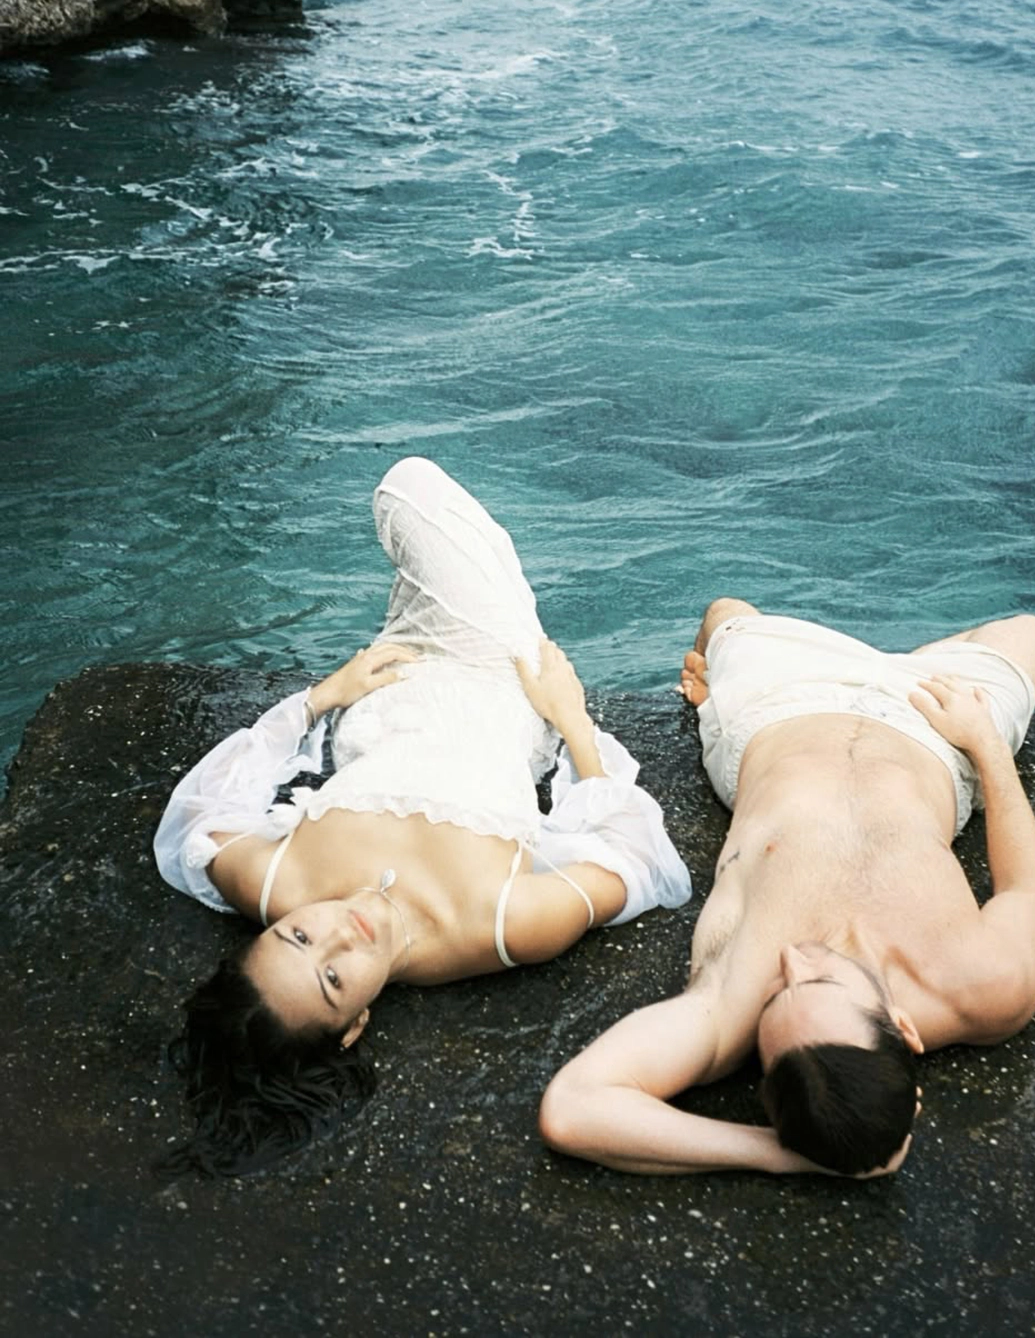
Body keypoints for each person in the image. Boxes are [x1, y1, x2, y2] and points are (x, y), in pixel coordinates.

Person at [154, 457, 691, 1174]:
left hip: (385, 689)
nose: (338, 933)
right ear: (354, 1028)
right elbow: (632, 855)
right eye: (334, 979)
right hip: (502, 689)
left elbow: (201, 810)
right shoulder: (503, 928)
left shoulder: (273, 884)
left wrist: (322, 696)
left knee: (424, 516)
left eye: (297, 936)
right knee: (408, 489)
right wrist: (571, 717)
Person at [537, 598, 1035, 1178]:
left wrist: (776, 1152)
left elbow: (572, 1108)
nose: (789, 962)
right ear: (902, 1026)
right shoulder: (987, 986)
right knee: (1033, 632)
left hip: (775, 705)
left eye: (777, 995)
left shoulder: (727, 1007)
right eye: (820, 981)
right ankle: (903, 662)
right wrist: (986, 745)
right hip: (939, 736)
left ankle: (731, 694)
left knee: (726, 611)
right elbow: (1025, 890)